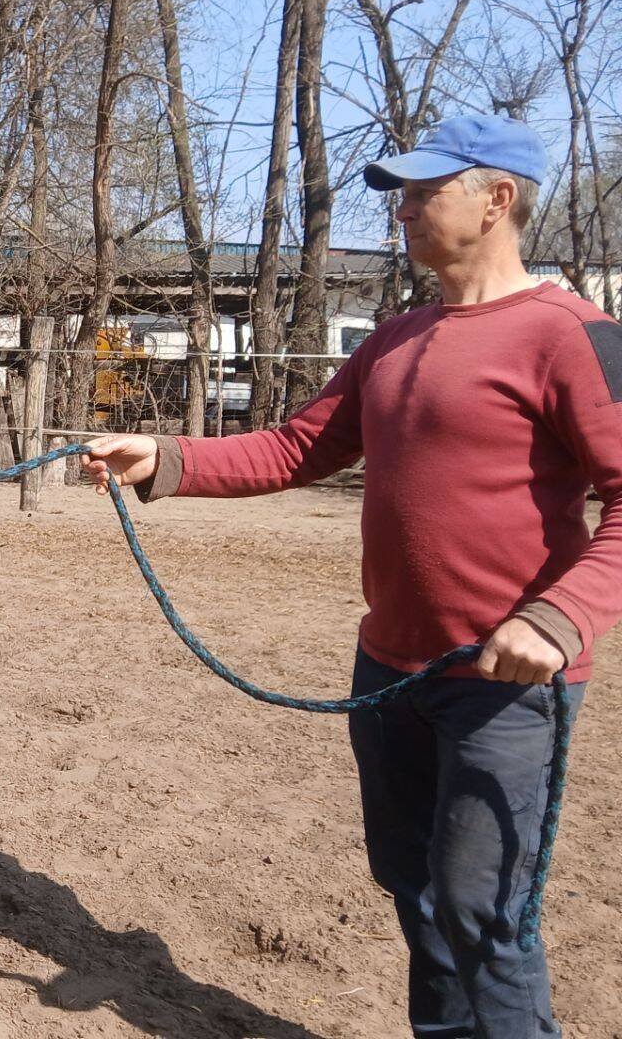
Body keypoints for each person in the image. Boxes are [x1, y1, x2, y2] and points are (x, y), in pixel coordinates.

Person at [84, 114, 618, 1038]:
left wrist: (559, 618)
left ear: (496, 200)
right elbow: (295, 447)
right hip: (391, 675)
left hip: (506, 687)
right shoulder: (398, 337)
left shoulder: (574, 335)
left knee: (483, 915)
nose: (400, 211)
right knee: (417, 893)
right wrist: (163, 457)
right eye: (399, 194)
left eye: (421, 192)